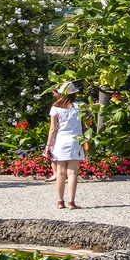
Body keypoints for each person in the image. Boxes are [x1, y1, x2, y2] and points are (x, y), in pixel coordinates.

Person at [45, 81, 86, 210]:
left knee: (60, 173)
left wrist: (47, 145)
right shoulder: (79, 106)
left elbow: (53, 128)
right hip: (75, 140)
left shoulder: (55, 108)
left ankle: (60, 201)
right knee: (73, 173)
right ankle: (71, 202)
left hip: (61, 141)